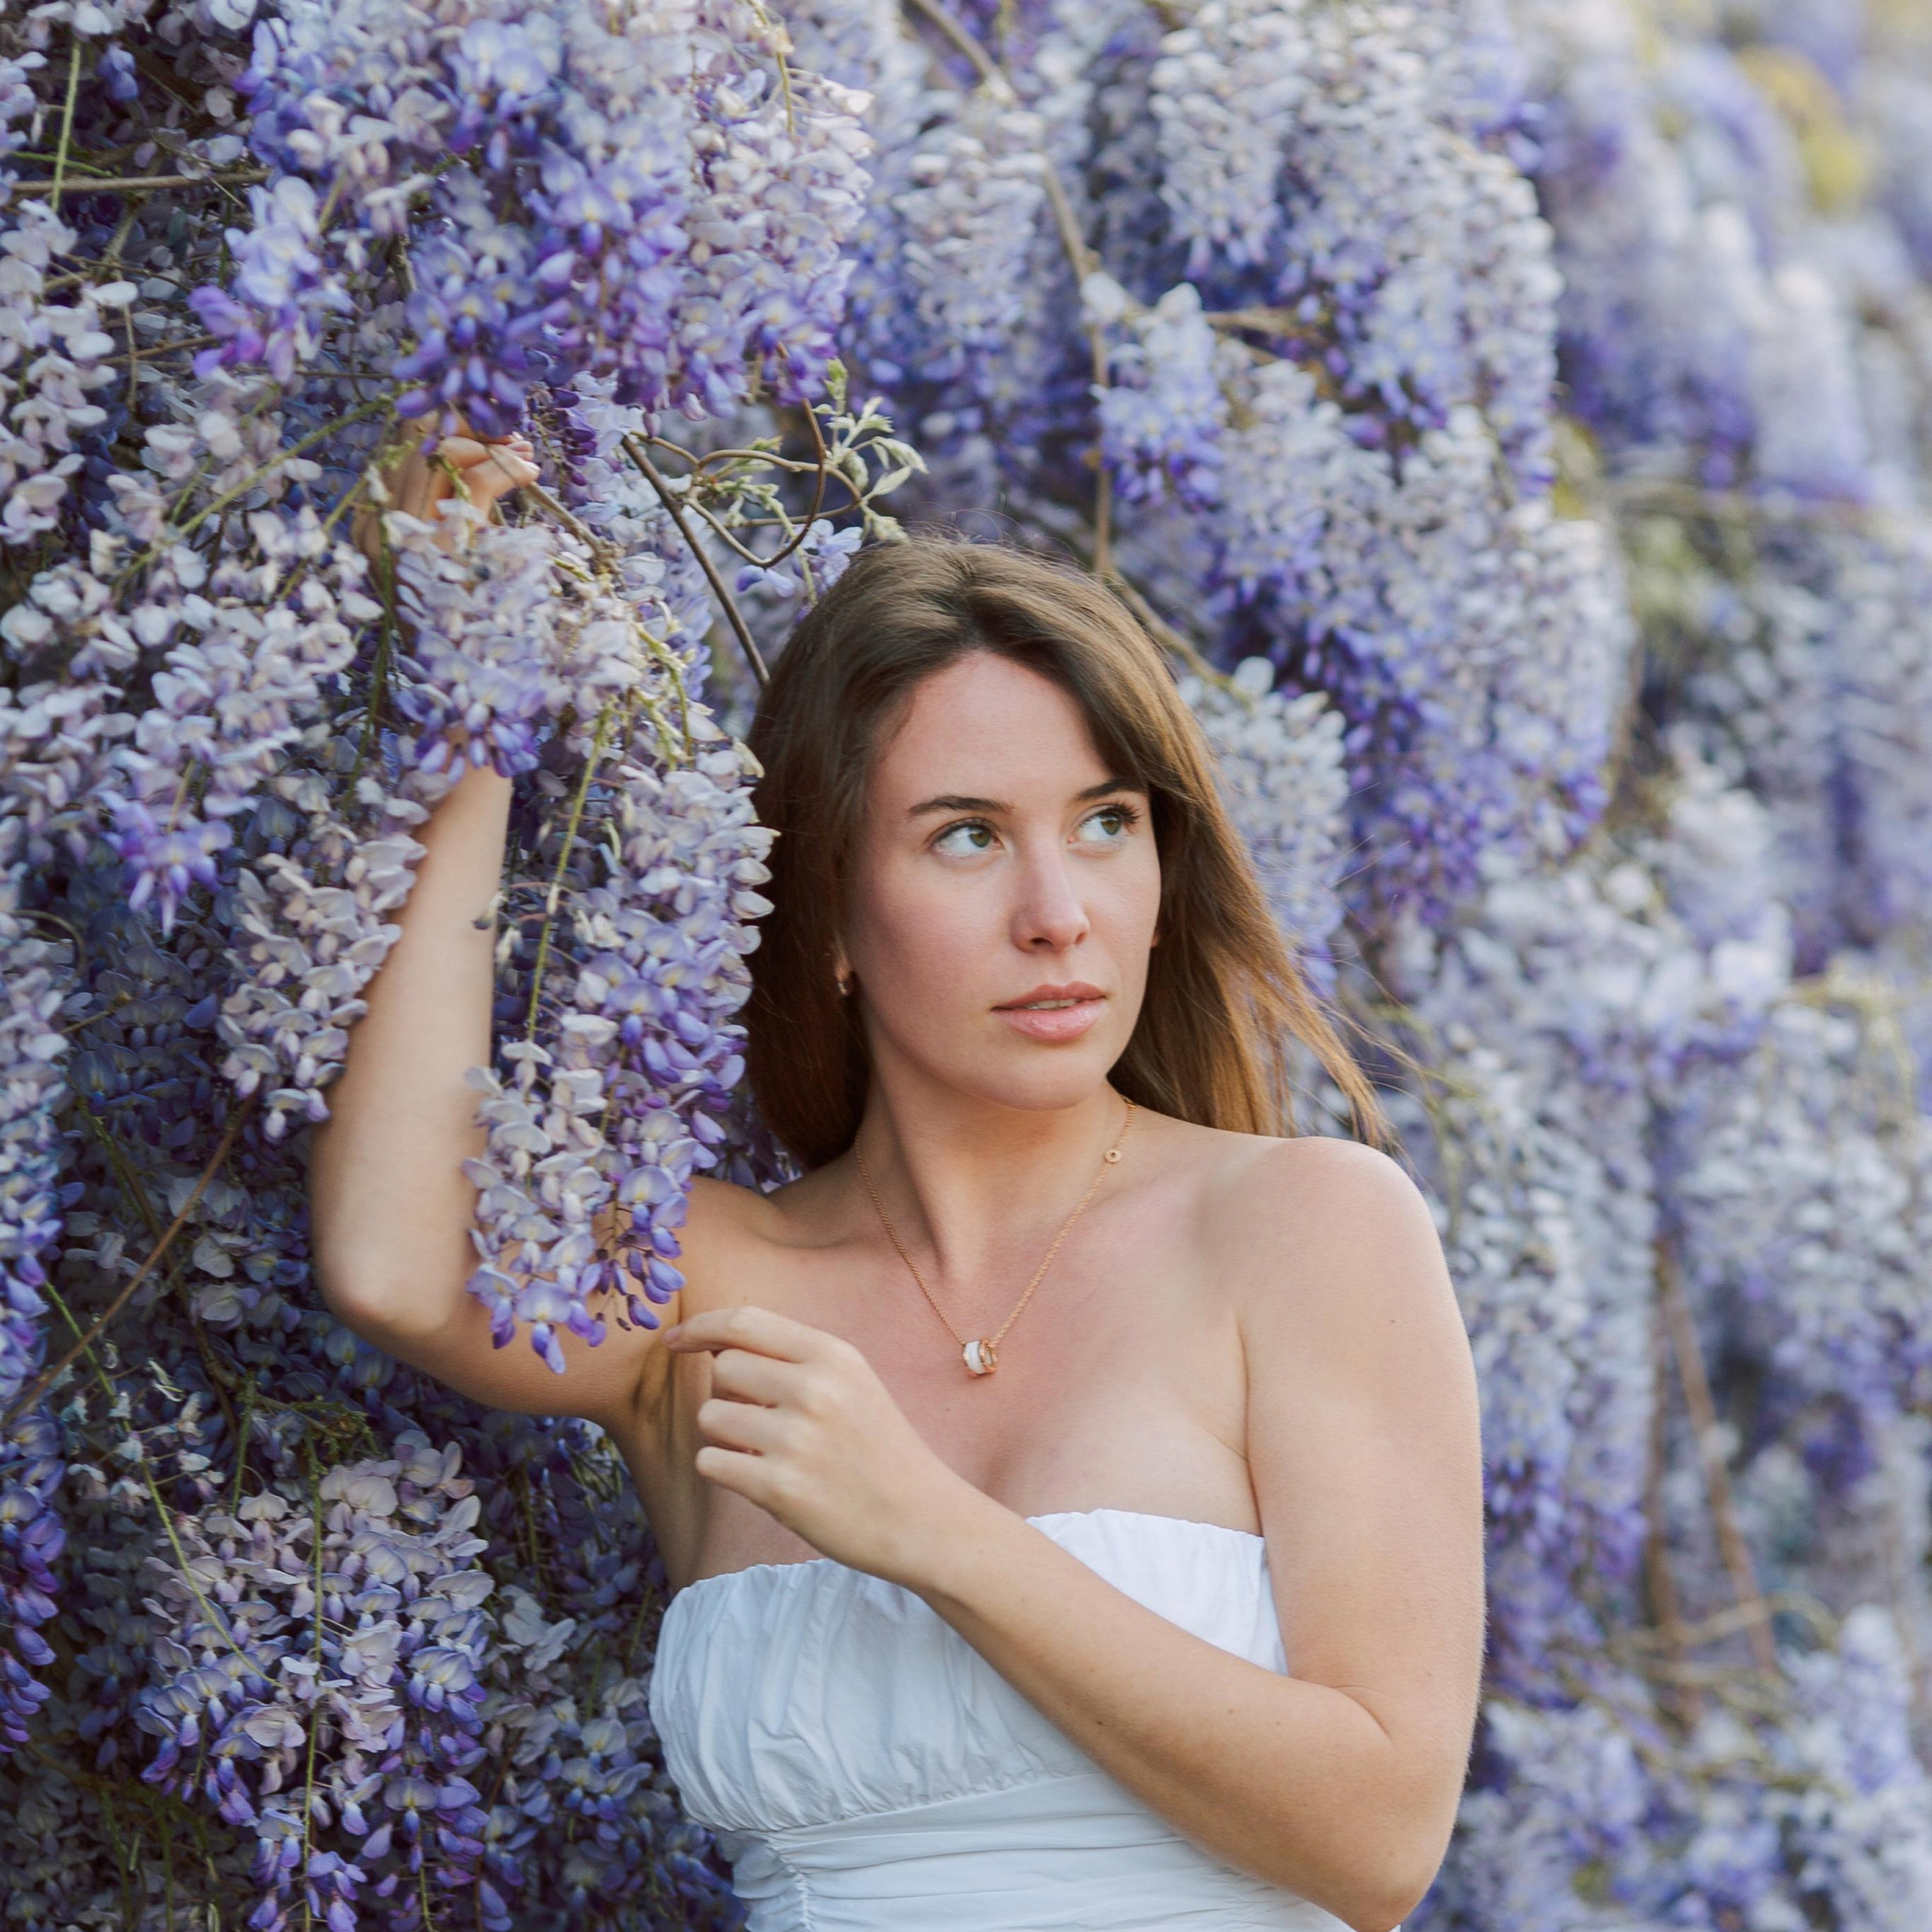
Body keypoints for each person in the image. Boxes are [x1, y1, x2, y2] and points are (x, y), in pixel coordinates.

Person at [311, 430, 1487, 1932]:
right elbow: (392, 1254)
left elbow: (1377, 1833)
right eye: (967, 838)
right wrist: (469, 699)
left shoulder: (1303, 1227)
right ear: (834, 918)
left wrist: (929, 1529)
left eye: (1105, 823)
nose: (1058, 914)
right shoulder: (715, 1285)